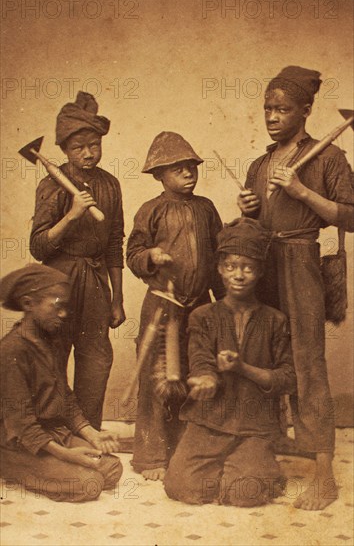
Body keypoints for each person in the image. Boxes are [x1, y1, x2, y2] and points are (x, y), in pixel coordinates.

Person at [238, 66, 354, 510]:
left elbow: (350, 215)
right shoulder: (259, 163)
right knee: (262, 351)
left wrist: (302, 192)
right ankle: (270, 443)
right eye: (267, 108)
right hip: (261, 263)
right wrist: (247, 207)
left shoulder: (327, 158)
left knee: (306, 359)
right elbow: (254, 222)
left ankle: (323, 472)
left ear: (305, 111)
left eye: (282, 109)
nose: (272, 116)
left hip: (301, 263)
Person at [164, 218, 297, 506]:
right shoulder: (203, 316)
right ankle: (237, 467)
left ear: (260, 272)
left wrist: (242, 368)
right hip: (210, 421)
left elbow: (287, 378)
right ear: (220, 269)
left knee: (242, 494)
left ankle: (256, 465)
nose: (238, 275)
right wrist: (206, 379)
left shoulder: (275, 320)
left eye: (248, 268)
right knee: (181, 487)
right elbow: (200, 360)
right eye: (231, 266)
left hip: (255, 425)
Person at [126, 131, 225, 481]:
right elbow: (133, 254)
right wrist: (150, 255)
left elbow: (219, 255)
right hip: (162, 305)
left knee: (194, 374)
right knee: (157, 378)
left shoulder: (207, 208)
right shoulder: (150, 210)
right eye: (178, 168)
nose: (188, 173)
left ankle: (187, 449)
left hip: (198, 306)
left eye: (192, 167)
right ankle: (152, 456)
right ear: (159, 174)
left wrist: (221, 302)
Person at [30, 91, 125, 430]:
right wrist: (71, 215)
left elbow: (115, 244)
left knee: (96, 360)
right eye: (78, 147)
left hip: (96, 282)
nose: (88, 153)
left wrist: (118, 298)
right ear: (64, 151)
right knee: (53, 358)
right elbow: (38, 247)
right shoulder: (51, 186)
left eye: (94, 145)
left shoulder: (110, 185)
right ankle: (54, 435)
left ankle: (90, 435)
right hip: (58, 281)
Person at [0, 264, 123, 502]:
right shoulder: (10, 350)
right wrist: (68, 455)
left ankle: (48, 468)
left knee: (112, 469)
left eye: (65, 308)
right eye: (56, 307)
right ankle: (9, 466)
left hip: (52, 433)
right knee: (90, 483)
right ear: (28, 304)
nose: (64, 314)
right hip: (21, 443)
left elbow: (65, 399)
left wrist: (91, 435)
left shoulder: (52, 340)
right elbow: (23, 425)